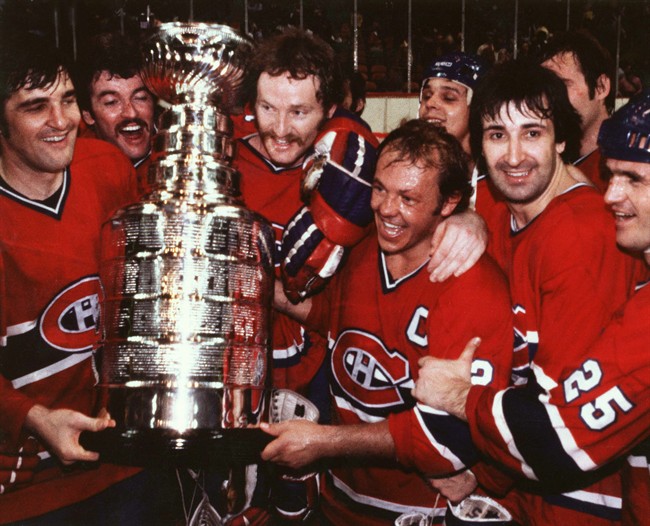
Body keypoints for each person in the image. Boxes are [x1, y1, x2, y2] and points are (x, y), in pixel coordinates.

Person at [418, 59, 641, 525]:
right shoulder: (502, 207)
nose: (514, 156)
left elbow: (555, 424)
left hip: (573, 491)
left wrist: (474, 467)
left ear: (561, 139)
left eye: (532, 133)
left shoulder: (582, 237)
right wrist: (470, 216)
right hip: (515, 470)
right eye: (497, 134)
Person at [261, 119, 514, 525]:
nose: (386, 208)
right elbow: (335, 319)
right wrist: (257, 284)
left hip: (417, 514)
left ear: (448, 204)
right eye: (380, 189)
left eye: (408, 198)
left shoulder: (473, 289)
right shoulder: (363, 249)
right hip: (339, 502)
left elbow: (449, 437)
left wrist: (323, 442)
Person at [0, 33, 181, 524]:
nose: (63, 122)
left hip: (125, 457)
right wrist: (35, 419)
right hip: (28, 486)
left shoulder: (107, 166)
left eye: (67, 100)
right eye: (36, 106)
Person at [74, 32, 156, 191]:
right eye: (112, 102)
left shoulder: (179, 156)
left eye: (140, 98)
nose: (131, 113)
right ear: (88, 115)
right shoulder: (74, 168)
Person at [540, 30, 615, 191]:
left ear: (601, 87)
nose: (549, 98)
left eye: (562, 85)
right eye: (543, 88)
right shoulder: (542, 162)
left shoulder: (629, 165)